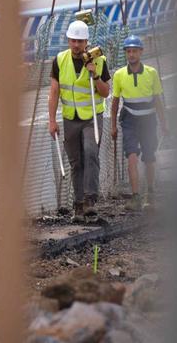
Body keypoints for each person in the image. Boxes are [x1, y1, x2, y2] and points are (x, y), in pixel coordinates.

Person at [48, 19, 111, 221]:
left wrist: (95, 76)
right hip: (70, 118)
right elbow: (54, 92)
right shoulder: (59, 60)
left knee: (91, 153)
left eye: (80, 41)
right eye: (73, 41)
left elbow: (105, 92)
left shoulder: (99, 60)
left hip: (92, 116)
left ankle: (90, 200)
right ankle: (78, 204)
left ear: (86, 42)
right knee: (76, 162)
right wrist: (52, 120)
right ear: (68, 40)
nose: (76, 45)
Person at [110, 35, 168, 211]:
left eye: (134, 51)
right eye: (128, 51)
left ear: (141, 52)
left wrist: (164, 123)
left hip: (148, 121)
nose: (131, 54)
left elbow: (157, 100)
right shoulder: (119, 75)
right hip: (129, 121)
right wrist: (113, 126)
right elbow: (115, 102)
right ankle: (135, 197)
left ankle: (150, 193)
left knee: (149, 157)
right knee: (132, 157)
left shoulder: (151, 73)